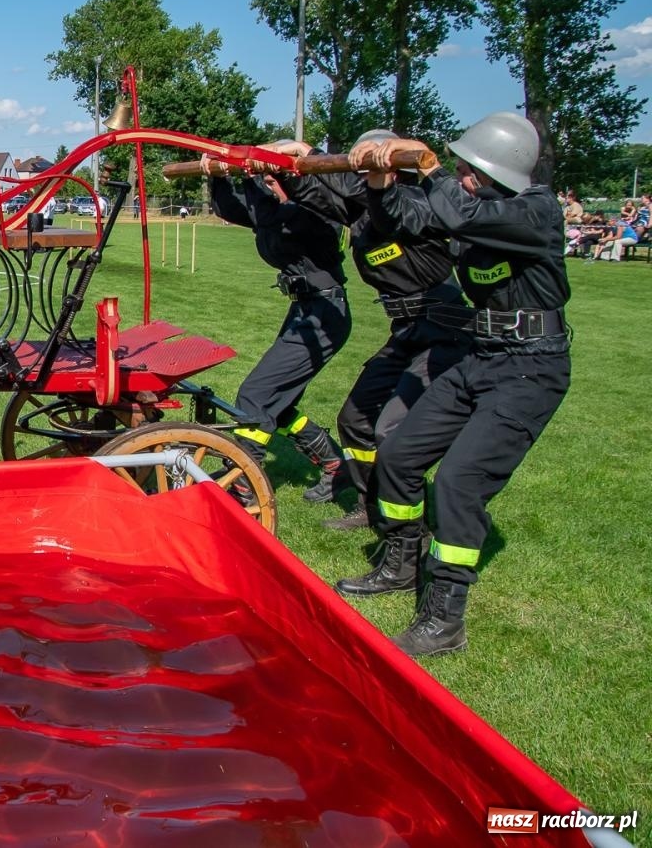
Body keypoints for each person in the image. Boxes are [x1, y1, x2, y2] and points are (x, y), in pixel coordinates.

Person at [337, 113, 570, 658]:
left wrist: (429, 166)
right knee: (396, 454)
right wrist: (379, 184)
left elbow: (454, 208)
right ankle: (401, 560)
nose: (462, 176)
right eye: (460, 169)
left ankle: (445, 617)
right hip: (480, 355)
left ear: (497, 173)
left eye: (470, 169)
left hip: (531, 369)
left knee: (460, 483)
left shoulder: (536, 213)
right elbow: (405, 219)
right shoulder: (473, 207)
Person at [279, 133, 471, 530]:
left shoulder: (416, 204)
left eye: (367, 169)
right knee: (355, 419)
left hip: (445, 331)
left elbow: (378, 205)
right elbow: (318, 196)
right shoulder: (363, 214)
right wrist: (289, 170)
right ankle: (370, 505)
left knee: (391, 431)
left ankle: (403, 529)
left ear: (390, 171)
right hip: (407, 331)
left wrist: (313, 154)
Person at [201, 147, 353, 502]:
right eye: (267, 182)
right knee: (277, 404)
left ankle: (243, 484)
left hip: (324, 315)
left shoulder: (315, 212)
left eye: (275, 180)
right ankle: (335, 466)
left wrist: (248, 173)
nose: (270, 188)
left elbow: (265, 210)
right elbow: (234, 209)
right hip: (305, 311)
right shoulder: (273, 211)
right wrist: (219, 177)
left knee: (255, 394)